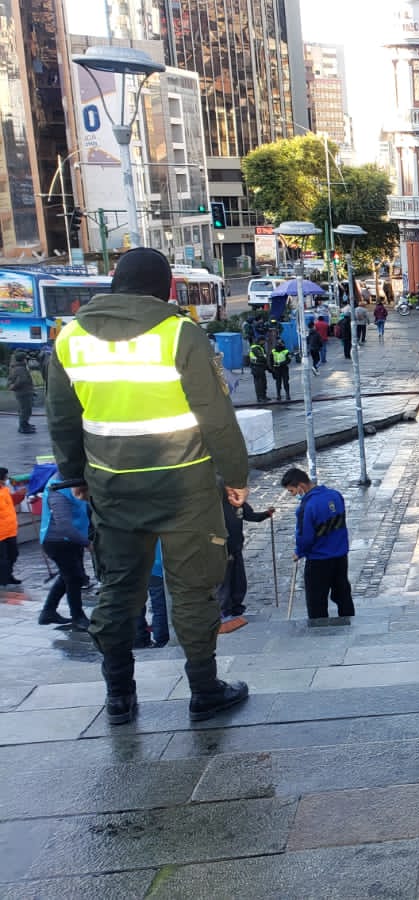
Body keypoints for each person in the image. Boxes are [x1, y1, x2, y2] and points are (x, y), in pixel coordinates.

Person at [45, 247, 251, 725]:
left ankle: (119, 696)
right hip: (185, 485)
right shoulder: (180, 333)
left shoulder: (70, 338)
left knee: (117, 587)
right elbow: (216, 416)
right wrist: (236, 477)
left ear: (114, 284)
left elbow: (61, 416)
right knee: (193, 589)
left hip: (111, 486)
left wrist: (74, 474)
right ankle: (204, 690)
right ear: (166, 289)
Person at [282, 467, 353, 619]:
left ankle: (319, 630)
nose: (293, 495)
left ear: (301, 486)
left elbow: (305, 537)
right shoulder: (335, 495)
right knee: (343, 594)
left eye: (292, 491)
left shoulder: (306, 506)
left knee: (317, 602)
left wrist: (299, 552)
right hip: (340, 556)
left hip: (319, 560)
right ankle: (349, 622)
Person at [37, 475, 91, 629]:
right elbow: (64, 527)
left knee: (68, 576)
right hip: (58, 542)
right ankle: (78, 617)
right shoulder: (58, 490)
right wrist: (88, 544)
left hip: (73, 539)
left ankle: (48, 612)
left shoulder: (73, 480)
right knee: (74, 578)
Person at [217, 488, 273, 633]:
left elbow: (251, 516)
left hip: (236, 547)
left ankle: (236, 609)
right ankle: (223, 614)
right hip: (221, 550)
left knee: (238, 580)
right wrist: (223, 550)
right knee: (223, 584)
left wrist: (266, 514)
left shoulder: (238, 503)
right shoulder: (214, 505)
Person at [136, 545, 168, 648]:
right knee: (159, 606)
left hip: (135, 567)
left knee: (135, 605)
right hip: (156, 566)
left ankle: (139, 638)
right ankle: (161, 639)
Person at [0, 468, 22, 586]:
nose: (7, 479)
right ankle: (3, 580)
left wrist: (20, 495)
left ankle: (8, 576)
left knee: (13, 554)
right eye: (5, 477)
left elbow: (11, 502)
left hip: (10, 530)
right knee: (2, 559)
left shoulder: (5, 490)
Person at [9, 353, 35, 434]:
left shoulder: (18, 367)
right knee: (25, 410)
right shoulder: (20, 368)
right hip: (24, 393)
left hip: (23, 392)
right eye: (26, 359)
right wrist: (14, 386)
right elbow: (22, 380)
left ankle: (25, 424)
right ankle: (23, 427)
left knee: (25, 409)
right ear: (23, 359)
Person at [247, 337, 270, 403]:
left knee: (263, 382)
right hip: (256, 367)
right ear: (260, 341)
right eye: (264, 341)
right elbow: (261, 357)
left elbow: (263, 357)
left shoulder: (260, 347)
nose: (264, 342)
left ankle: (264, 396)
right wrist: (264, 359)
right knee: (259, 384)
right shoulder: (255, 348)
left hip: (260, 367)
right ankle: (260, 398)